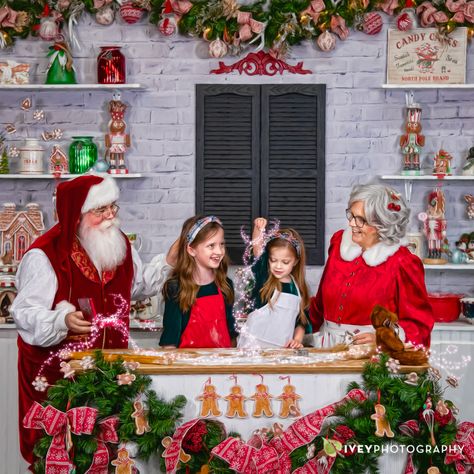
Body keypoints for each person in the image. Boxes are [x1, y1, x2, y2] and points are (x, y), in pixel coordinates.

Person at [11, 174, 176, 467]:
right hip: (61, 382)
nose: (110, 215)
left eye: (113, 206)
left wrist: (168, 262)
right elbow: (25, 315)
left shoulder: (117, 243)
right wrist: (61, 320)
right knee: (63, 458)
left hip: (109, 377)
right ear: (76, 215)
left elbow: (136, 286)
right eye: (100, 210)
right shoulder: (45, 255)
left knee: (112, 457)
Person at [310, 184, 434, 348]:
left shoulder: (402, 262)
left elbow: (419, 323)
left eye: (361, 220)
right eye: (351, 215)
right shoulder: (339, 243)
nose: (352, 224)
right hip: (326, 348)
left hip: (369, 354)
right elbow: (319, 304)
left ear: (382, 224)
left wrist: (384, 338)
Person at [159, 215, 237, 348]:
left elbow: (231, 335)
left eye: (222, 244)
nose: (219, 251)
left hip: (222, 366)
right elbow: (169, 343)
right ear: (191, 250)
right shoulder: (176, 288)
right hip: (188, 367)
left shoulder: (225, 285)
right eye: (211, 245)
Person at [237, 218, 311, 349]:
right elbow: (257, 251)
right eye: (273, 260)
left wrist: (297, 340)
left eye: (285, 262)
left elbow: (302, 322)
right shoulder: (263, 279)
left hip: (281, 352)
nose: (278, 266)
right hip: (252, 350)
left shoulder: (298, 288)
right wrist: (258, 229)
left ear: (295, 261)